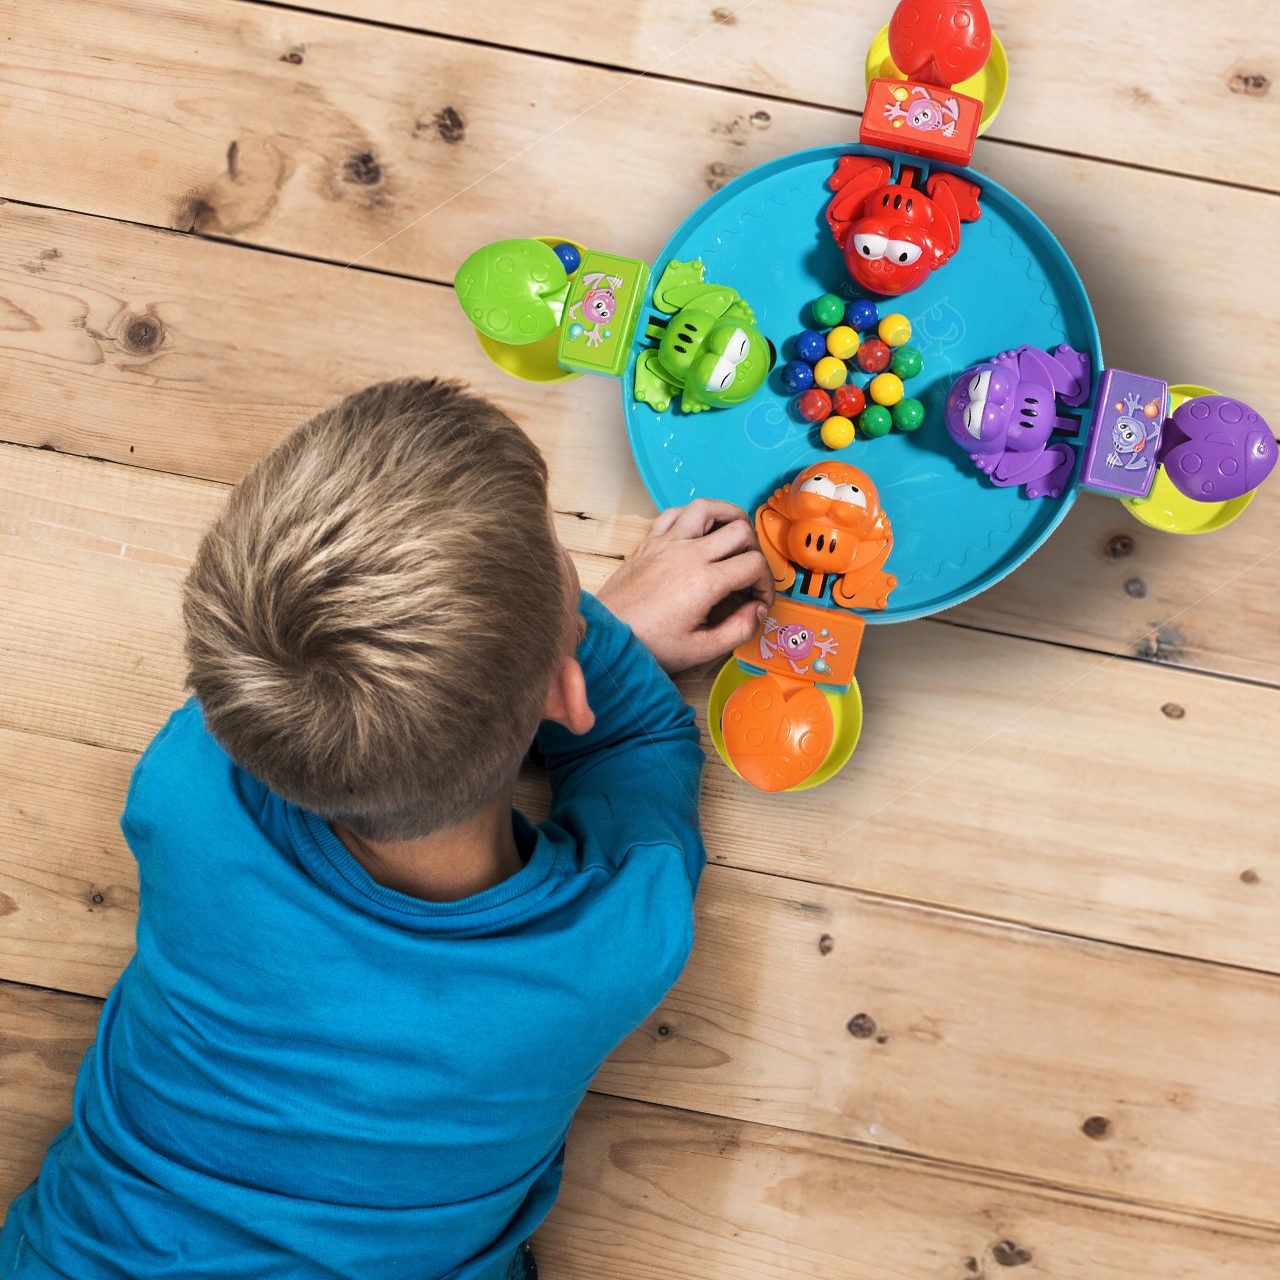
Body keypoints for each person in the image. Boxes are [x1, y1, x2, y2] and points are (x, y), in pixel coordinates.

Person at [0, 378, 773, 1280]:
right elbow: (638, 741)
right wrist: (574, 636)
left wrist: (538, 633)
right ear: (565, 697)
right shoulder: (617, 939)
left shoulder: (187, 786)